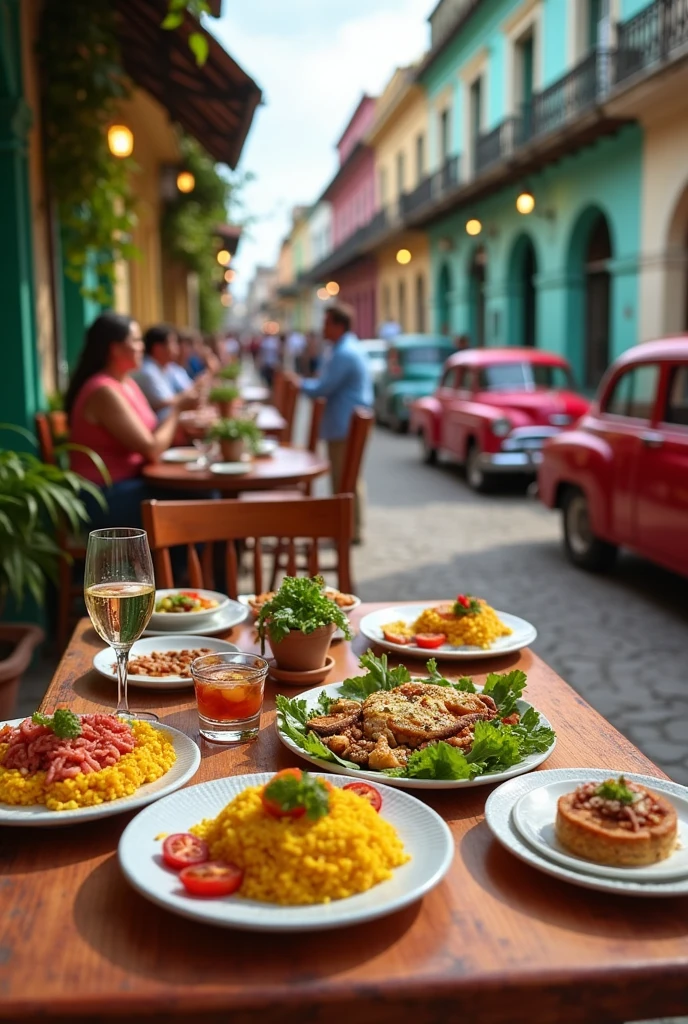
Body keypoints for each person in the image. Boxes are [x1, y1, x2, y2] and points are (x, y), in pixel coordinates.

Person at [65, 313, 188, 528]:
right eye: (136, 340)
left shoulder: (126, 383)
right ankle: (176, 563)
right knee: (198, 500)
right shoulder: (104, 391)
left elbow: (151, 432)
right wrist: (177, 410)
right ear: (115, 348)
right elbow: (151, 448)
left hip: (131, 484)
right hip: (104, 497)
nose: (142, 347)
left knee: (200, 494)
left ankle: (179, 562)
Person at [298, 302, 372, 543]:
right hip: (345, 423)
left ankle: (349, 530)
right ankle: (350, 528)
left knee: (344, 479)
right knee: (349, 478)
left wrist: (298, 384)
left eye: (326, 323)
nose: (323, 328)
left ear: (339, 326)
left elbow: (323, 388)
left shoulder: (344, 353)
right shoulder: (347, 348)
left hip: (344, 425)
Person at [133, 324, 200, 422]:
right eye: (173, 343)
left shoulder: (165, 367)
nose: (177, 348)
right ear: (158, 348)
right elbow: (164, 404)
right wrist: (189, 396)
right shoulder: (148, 371)